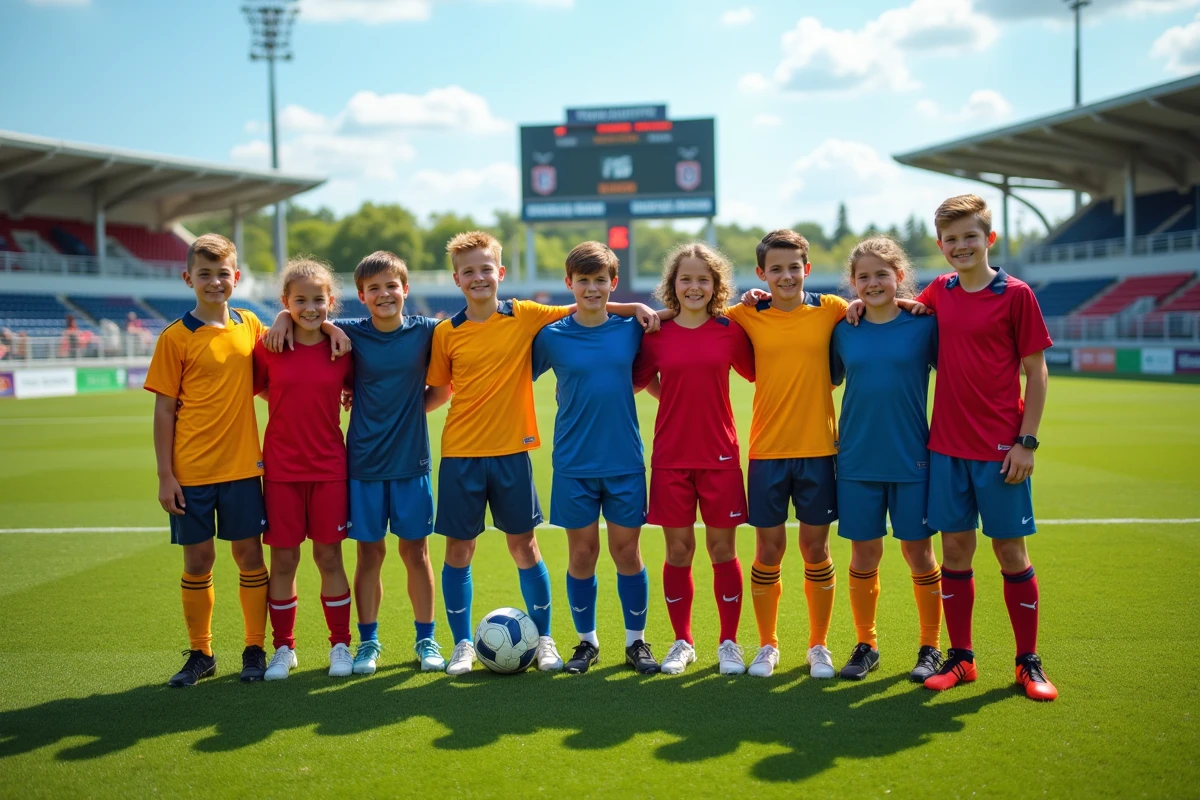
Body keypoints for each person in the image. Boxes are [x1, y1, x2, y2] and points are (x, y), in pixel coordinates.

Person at [849, 194, 1056, 701]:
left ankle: (1028, 662)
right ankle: (962, 659)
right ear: (940, 246)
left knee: (1010, 552)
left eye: (970, 237)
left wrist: (1026, 442)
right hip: (944, 450)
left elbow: (1037, 371)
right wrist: (862, 301)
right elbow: (901, 309)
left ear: (988, 239)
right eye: (951, 239)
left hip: (1001, 450)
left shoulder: (1017, 294)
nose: (960, 246)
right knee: (956, 553)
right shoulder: (940, 292)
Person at [425, 231, 659, 676]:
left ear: (501, 273)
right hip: (481, 455)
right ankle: (470, 645)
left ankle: (592, 640)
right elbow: (441, 389)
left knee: (552, 548)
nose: (479, 278)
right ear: (456, 279)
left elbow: (600, 309)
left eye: (485, 269)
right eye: (469, 271)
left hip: (558, 455)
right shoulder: (462, 333)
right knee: (468, 551)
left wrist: (636, 308)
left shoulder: (537, 318)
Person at [265, 251, 450, 674]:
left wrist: (406, 412)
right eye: (374, 289)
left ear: (405, 289)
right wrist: (281, 318)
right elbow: (308, 317)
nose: (384, 294)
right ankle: (368, 642)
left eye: (392, 286)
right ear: (362, 297)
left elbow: (440, 392)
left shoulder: (427, 332)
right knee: (369, 556)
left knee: (416, 553)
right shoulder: (350, 333)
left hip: (412, 463)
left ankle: (427, 639)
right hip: (362, 465)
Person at [143, 233, 272, 686]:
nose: (215, 282)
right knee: (198, 561)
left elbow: (281, 359)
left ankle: (255, 647)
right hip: (192, 471)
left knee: (249, 556)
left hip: (242, 469)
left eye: (223, 274)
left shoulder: (252, 325)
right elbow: (163, 410)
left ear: (236, 277)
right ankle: (202, 653)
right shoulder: (175, 338)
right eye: (205, 274)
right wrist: (165, 475)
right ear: (188, 278)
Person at [531, 241, 661, 675]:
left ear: (613, 283)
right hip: (572, 464)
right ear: (569, 283)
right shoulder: (550, 336)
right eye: (583, 280)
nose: (591, 288)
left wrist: (633, 308)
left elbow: (675, 318)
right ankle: (586, 642)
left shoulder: (632, 329)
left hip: (624, 461)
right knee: (582, 555)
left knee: (627, 552)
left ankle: (636, 642)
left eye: (600, 280)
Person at [727, 230, 848, 680]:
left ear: (807, 269)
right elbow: (696, 311)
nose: (785, 276)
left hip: (819, 450)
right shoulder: (746, 313)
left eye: (793, 266)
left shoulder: (832, 309)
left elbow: (876, 310)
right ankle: (768, 645)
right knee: (769, 550)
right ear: (761, 274)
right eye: (774, 269)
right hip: (768, 452)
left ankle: (818, 646)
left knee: (815, 549)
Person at [632, 242, 755, 676]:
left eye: (704, 278)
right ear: (673, 284)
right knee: (679, 551)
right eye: (686, 278)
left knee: (723, 550)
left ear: (716, 285)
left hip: (720, 454)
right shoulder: (655, 334)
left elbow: (761, 369)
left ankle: (729, 643)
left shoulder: (730, 330)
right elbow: (635, 381)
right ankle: (683, 641)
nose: (694, 286)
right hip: (670, 456)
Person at [829, 237, 943, 682]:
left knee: (919, 552)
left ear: (899, 276)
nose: (872, 282)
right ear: (852, 283)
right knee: (864, 555)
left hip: (912, 457)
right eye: (863, 276)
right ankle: (867, 644)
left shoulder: (923, 325)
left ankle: (931, 646)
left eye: (881, 274)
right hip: (855, 458)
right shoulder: (843, 328)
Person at [253, 258, 356, 681]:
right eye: (300, 300)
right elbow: (260, 387)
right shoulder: (268, 345)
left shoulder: (344, 348)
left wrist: (334, 330)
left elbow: (355, 389)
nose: (310, 308)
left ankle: (340, 646)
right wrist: (278, 323)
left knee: (329, 557)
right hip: (280, 469)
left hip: (331, 466)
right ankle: (284, 649)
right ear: (285, 302)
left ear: (331, 301)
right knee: (283, 560)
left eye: (318, 299)